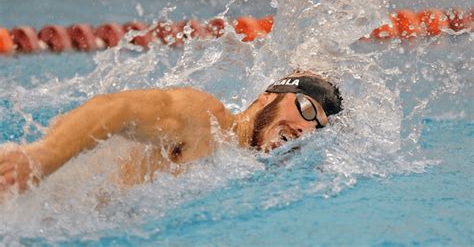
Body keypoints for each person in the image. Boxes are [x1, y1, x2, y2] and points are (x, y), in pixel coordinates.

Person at [0, 69, 342, 197]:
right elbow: (112, 109)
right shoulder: (205, 120)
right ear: (267, 96)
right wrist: (43, 157)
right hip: (25, 182)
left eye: (317, 127)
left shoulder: (242, 170)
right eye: (306, 109)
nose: (303, 129)